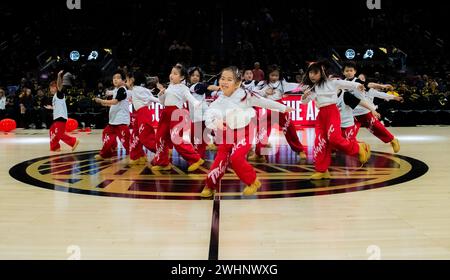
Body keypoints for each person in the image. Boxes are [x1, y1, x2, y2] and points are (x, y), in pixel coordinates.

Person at [200, 66, 295, 197]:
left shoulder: (246, 95)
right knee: (220, 159)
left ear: (238, 83)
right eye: (222, 79)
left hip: (245, 131)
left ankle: (253, 182)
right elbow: (209, 114)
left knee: (236, 158)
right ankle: (210, 186)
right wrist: (214, 122)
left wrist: (284, 108)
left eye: (229, 79)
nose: (224, 82)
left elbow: (264, 102)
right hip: (227, 133)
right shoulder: (219, 99)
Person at [44, 70, 79, 152]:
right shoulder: (55, 97)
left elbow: (59, 84)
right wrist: (51, 108)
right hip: (57, 117)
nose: (51, 89)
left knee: (59, 134)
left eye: (53, 87)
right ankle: (55, 147)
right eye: (50, 88)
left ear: (57, 88)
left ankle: (73, 141)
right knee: (52, 130)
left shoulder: (59, 94)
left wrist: (59, 76)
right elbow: (58, 107)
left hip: (61, 117)